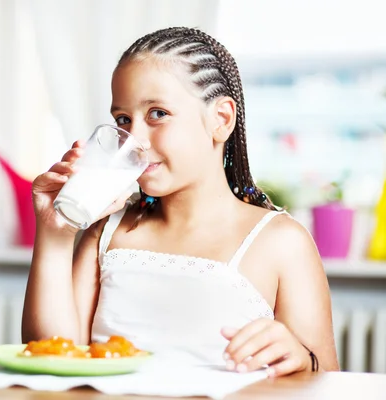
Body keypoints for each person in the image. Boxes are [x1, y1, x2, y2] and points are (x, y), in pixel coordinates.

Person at [22, 27, 339, 377]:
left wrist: (298, 357)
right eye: (123, 120)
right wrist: (55, 234)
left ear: (221, 119)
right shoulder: (107, 231)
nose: (135, 140)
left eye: (157, 113)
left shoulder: (282, 242)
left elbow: (326, 377)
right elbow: (53, 359)